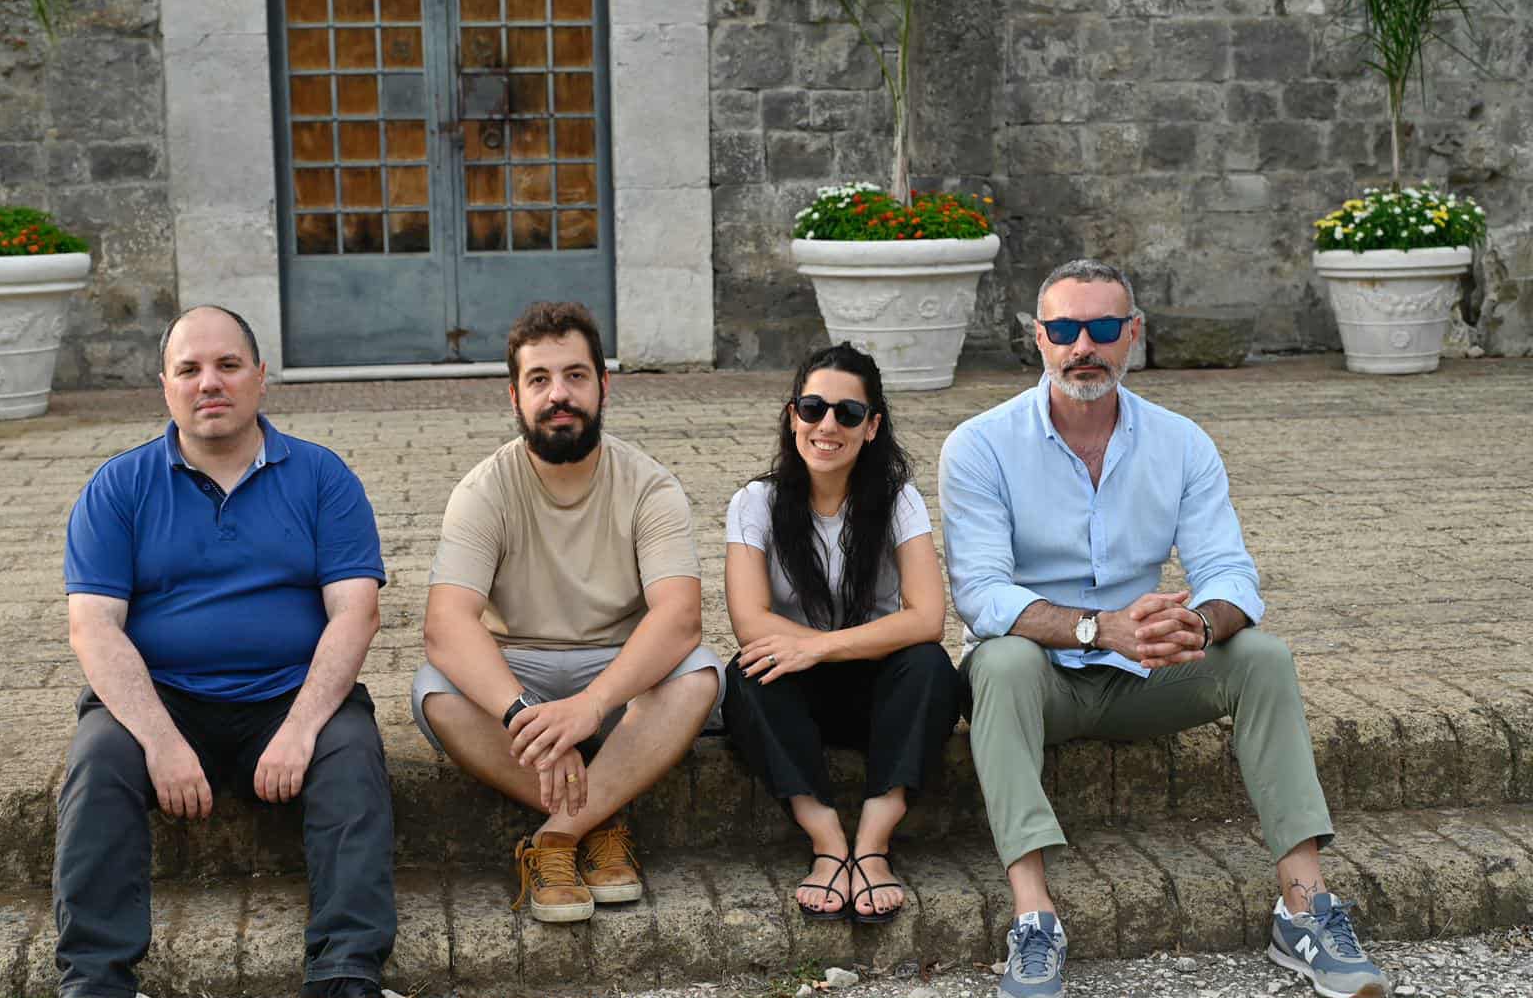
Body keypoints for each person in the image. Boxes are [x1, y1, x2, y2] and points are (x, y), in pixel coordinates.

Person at [939, 259, 1389, 998]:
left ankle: (1304, 907)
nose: (1083, 346)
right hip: (1040, 680)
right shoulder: (980, 444)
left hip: (1148, 668)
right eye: (1064, 329)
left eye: (1103, 327)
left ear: (1133, 334)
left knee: (1262, 657)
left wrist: (1196, 626)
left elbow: (1231, 575)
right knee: (1001, 661)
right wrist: (1101, 629)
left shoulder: (1181, 442)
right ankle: (1034, 918)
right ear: (1039, 338)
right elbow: (981, 596)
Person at [58, 306, 395, 998]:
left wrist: (300, 729)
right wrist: (160, 741)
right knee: (97, 760)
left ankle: (345, 973)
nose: (208, 383)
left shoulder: (324, 478)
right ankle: (95, 981)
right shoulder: (118, 487)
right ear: (166, 386)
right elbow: (93, 628)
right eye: (189, 369)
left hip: (290, 693)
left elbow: (356, 612)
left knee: (353, 754)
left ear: (261, 377)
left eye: (228, 365)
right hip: (162, 697)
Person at [412, 301, 723, 924]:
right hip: (516, 671)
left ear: (603, 386)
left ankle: (554, 838)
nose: (559, 394)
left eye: (575, 376)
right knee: (435, 690)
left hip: (619, 674)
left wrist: (591, 704)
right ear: (515, 396)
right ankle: (600, 823)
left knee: (699, 675)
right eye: (539, 379)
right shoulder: (484, 489)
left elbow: (679, 617)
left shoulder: (650, 485)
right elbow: (446, 625)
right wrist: (523, 714)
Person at [721, 343, 960, 924]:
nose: (827, 426)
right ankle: (827, 841)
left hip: (874, 685)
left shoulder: (899, 501)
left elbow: (928, 617)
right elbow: (749, 620)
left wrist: (820, 646)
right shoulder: (756, 502)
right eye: (813, 409)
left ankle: (873, 844)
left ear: (871, 426)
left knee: (931, 666)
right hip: (797, 688)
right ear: (792, 416)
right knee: (744, 675)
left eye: (848, 413)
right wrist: (806, 652)